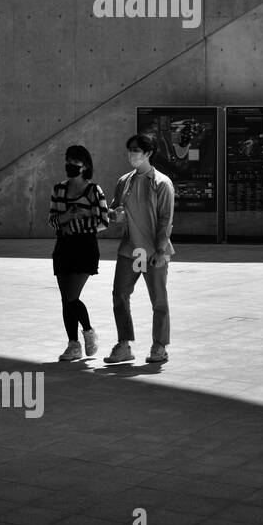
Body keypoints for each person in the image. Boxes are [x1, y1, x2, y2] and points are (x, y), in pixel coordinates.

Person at [103, 133, 176, 364]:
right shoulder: (124, 181)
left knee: (159, 300)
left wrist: (161, 249)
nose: (131, 154)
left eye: (136, 150)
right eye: (129, 150)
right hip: (131, 250)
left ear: (148, 153)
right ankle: (124, 344)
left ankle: (159, 345)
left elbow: (166, 219)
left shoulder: (162, 183)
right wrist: (114, 215)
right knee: (120, 295)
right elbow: (115, 210)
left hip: (154, 251)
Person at [50, 146, 111, 361]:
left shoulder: (94, 190)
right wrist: (68, 215)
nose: (70, 165)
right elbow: (53, 220)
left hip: (84, 247)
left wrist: (81, 219)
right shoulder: (59, 189)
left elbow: (104, 221)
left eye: (75, 161)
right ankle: (72, 344)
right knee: (65, 299)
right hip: (64, 246)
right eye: (68, 160)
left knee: (71, 296)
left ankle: (88, 331)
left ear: (85, 165)